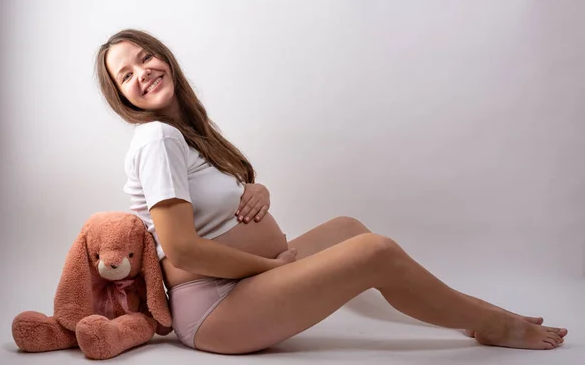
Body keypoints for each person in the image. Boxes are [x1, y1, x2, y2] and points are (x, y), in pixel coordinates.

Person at [95, 29, 567, 354]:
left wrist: (255, 189)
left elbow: (214, 198)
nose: (143, 72)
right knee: (374, 251)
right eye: (126, 74)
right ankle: (491, 322)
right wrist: (266, 265)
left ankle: (465, 313)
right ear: (122, 96)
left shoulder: (186, 133)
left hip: (246, 283)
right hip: (215, 308)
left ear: (164, 57)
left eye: (145, 57)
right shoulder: (156, 138)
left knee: (346, 229)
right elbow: (183, 250)